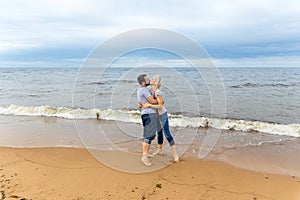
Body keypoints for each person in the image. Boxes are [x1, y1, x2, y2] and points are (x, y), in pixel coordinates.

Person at [143, 75, 179, 162]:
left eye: (154, 79)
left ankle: (175, 154)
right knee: (159, 133)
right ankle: (159, 150)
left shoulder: (157, 92)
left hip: (162, 115)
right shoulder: (149, 91)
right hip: (155, 116)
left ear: (157, 83)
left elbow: (160, 105)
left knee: (167, 134)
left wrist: (150, 105)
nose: (151, 79)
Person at [136, 74, 158, 166]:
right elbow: (152, 101)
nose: (149, 80)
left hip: (146, 114)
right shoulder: (144, 90)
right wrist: (160, 100)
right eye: (147, 79)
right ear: (143, 83)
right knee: (149, 135)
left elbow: (139, 104)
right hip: (149, 114)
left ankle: (146, 153)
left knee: (148, 135)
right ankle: (144, 156)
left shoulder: (141, 90)